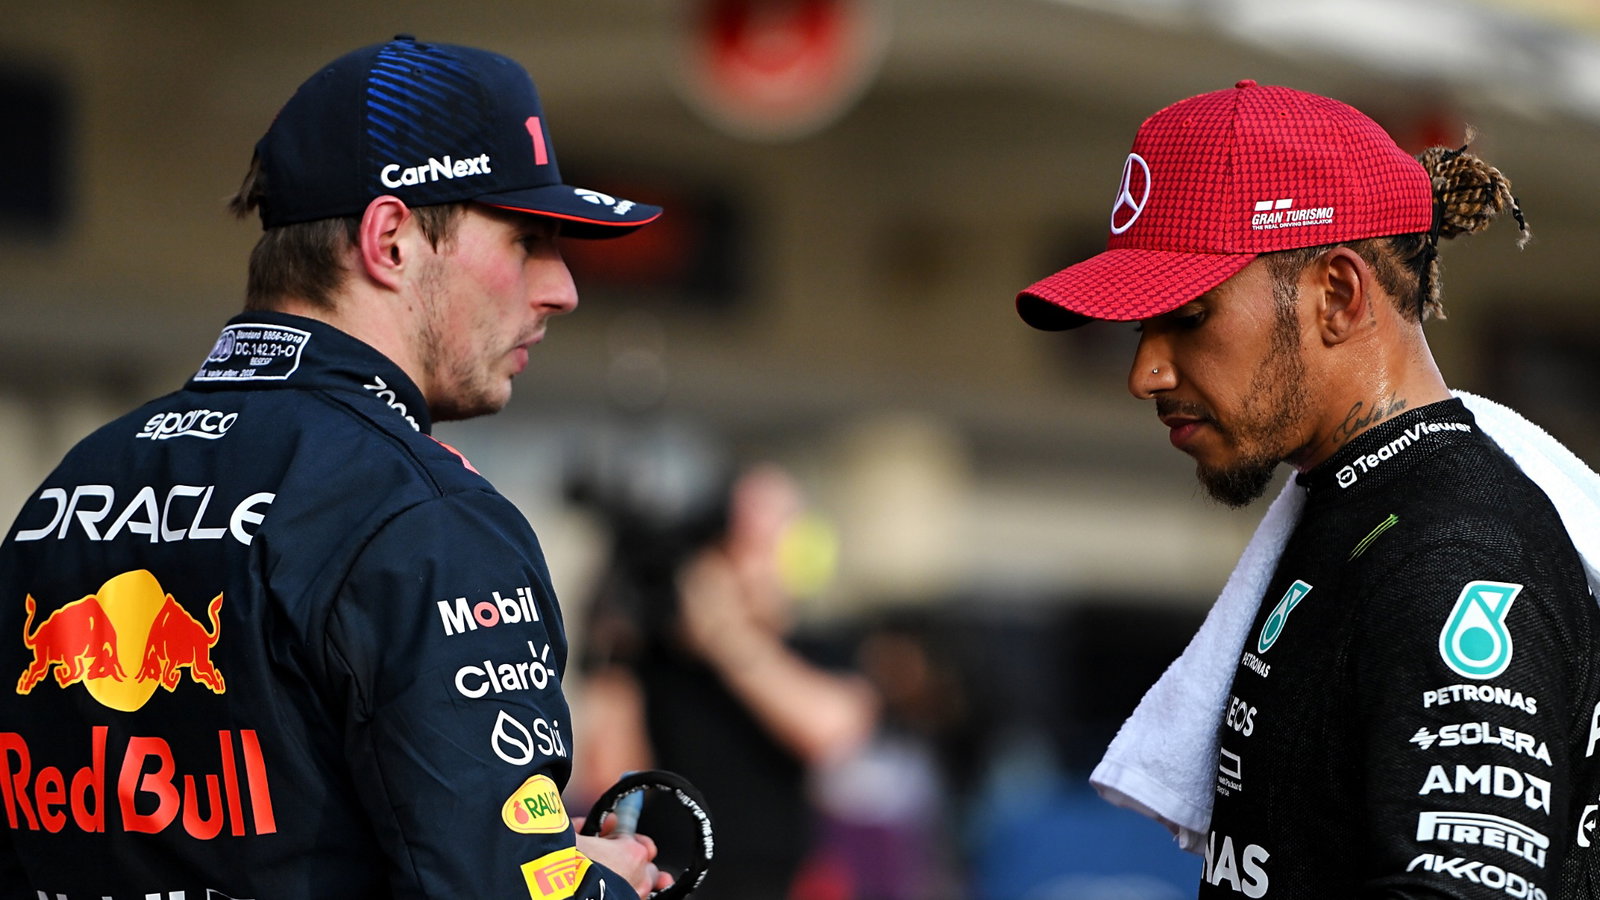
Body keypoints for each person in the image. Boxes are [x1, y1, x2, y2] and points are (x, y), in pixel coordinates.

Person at [0, 35, 676, 900]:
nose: (561, 288)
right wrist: (600, 885)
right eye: (527, 238)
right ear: (390, 238)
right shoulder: (423, 517)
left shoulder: (67, 492)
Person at [1015, 80, 1600, 897]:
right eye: (1139, 328)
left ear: (1337, 295)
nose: (1145, 371)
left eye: (1187, 316)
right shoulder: (1362, 511)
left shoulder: (1451, 556)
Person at [575, 460, 879, 900]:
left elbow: (833, 731)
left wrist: (725, 635)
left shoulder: (816, 647)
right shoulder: (658, 656)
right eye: (747, 542)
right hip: (674, 879)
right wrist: (612, 646)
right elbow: (607, 782)